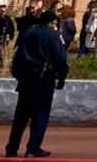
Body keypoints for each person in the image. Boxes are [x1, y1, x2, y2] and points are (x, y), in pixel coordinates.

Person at [5, 10, 68, 158]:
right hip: (43, 79)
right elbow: (59, 57)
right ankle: (33, 148)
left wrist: (17, 75)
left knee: (21, 114)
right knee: (40, 113)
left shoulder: (27, 34)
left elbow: (17, 56)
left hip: (25, 78)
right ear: (52, 22)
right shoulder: (53, 36)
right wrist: (62, 76)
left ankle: (12, 147)